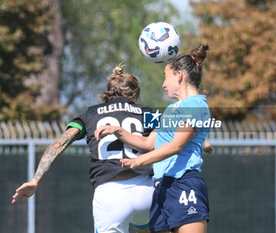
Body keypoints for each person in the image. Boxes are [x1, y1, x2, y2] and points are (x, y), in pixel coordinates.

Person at [12, 66, 155, 233]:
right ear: (135, 94)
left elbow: (59, 143)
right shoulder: (149, 112)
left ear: (107, 93)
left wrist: (35, 179)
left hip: (110, 195)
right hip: (147, 191)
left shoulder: (90, 113)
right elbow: (168, 144)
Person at [94, 44, 211, 233]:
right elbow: (149, 143)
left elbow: (175, 146)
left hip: (184, 183)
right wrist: (118, 131)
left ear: (179, 75)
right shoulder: (171, 110)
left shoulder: (196, 105)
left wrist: (138, 161)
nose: (164, 84)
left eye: (166, 77)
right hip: (161, 185)